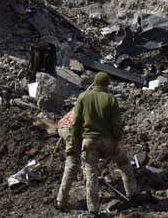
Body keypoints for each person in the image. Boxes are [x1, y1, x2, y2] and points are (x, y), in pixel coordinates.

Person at [55, 72, 138, 212]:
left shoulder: (83, 97)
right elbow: (117, 124)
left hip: (89, 142)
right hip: (108, 141)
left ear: (94, 82)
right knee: (124, 164)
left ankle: (93, 209)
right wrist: (117, 142)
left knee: (91, 173)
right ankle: (132, 194)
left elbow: (76, 122)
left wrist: (75, 140)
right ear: (107, 84)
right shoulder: (111, 99)